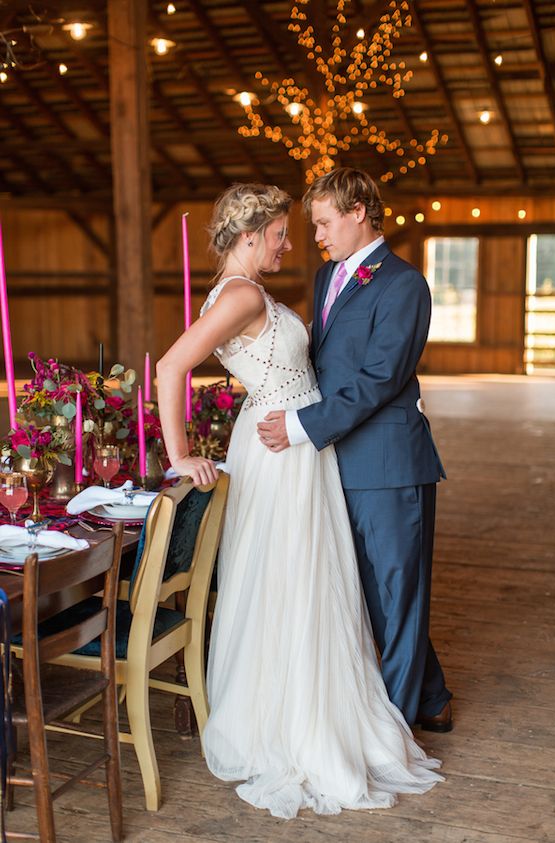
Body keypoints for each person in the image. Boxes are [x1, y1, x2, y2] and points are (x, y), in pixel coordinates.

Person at [156, 182, 443, 821]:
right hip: (284, 448)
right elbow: (172, 366)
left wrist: (307, 423)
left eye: (310, 225)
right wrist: (179, 455)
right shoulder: (241, 294)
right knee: (294, 581)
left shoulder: (389, 285)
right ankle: (302, 717)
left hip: (308, 444)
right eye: (286, 231)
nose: (298, 241)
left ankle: (407, 699)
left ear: (357, 213)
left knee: (325, 582)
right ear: (252, 235)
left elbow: (364, 369)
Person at [257, 168, 452, 732]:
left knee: (397, 592)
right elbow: (324, 360)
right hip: (337, 457)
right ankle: (433, 697)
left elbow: (381, 376)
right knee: (370, 590)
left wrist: (301, 426)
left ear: (359, 210)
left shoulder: (404, 284)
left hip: (390, 462)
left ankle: (390, 727)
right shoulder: (325, 279)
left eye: (323, 222)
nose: (315, 234)